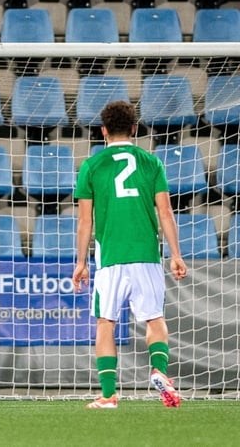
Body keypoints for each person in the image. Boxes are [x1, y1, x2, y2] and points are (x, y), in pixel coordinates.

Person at [72, 100, 188, 409]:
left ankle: (109, 395)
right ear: (135, 129)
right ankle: (159, 371)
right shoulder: (151, 163)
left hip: (110, 257)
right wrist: (176, 254)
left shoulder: (91, 166)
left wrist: (81, 262)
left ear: (103, 131)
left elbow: (85, 221)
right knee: (154, 318)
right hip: (146, 254)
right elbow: (165, 212)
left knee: (105, 323)